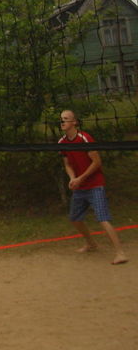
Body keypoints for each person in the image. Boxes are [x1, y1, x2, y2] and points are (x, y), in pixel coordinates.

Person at [58, 109, 128, 265]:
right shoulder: (62, 142)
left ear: (74, 122)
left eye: (65, 119)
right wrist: (72, 178)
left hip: (95, 184)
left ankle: (120, 253)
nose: (62, 121)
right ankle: (91, 244)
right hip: (79, 186)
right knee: (75, 219)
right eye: (61, 119)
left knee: (103, 218)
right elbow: (67, 164)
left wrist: (81, 178)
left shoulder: (85, 138)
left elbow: (97, 162)